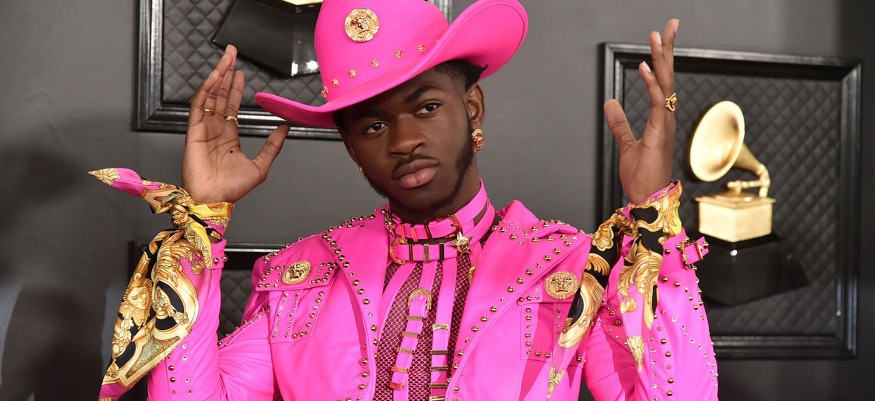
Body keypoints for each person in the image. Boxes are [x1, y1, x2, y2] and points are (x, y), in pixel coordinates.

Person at [93, 0, 717, 400]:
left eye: (427, 107)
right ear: (351, 146)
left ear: (472, 108)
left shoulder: (571, 268)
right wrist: (202, 223)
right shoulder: (298, 279)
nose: (404, 141)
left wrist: (652, 213)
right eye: (372, 125)